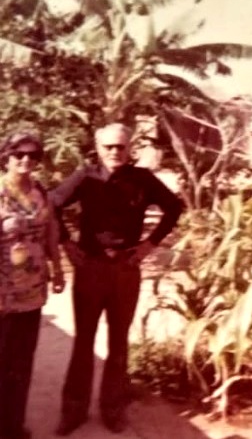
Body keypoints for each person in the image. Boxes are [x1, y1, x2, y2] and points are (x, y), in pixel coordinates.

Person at [50, 123, 182, 435]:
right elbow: (51, 204)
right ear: (98, 148)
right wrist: (66, 242)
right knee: (83, 341)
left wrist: (149, 245)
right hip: (91, 268)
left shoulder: (142, 179)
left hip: (125, 269)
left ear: (129, 148)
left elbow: (175, 207)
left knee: (118, 341)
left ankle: (112, 409)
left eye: (120, 146)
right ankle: (73, 411)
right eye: (108, 146)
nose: (114, 152)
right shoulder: (85, 177)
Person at [0, 131, 65, 439]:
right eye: (19, 154)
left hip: (32, 290)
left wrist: (58, 268)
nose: (26, 160)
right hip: (2, 291)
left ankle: (13, 426)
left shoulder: (40, 191)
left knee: (22, 361)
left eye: (33, 155)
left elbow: (51, 231)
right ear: (6, 157)